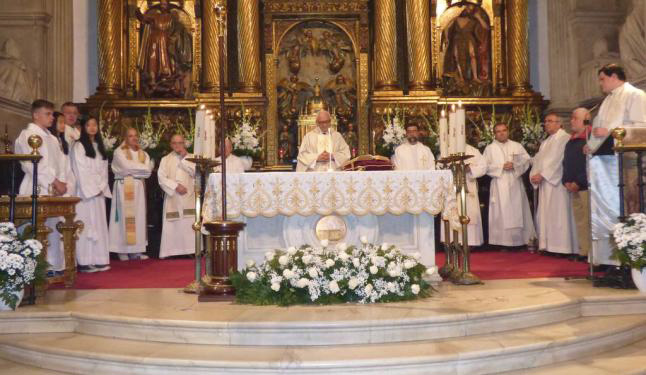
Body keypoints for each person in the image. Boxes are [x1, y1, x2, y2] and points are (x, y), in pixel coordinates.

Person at [585, 64, 646, 266]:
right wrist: (591, 146)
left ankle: (631, 260)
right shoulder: (607, 100)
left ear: (613, 76)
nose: (600, 83)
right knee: (610, 207)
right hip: (607, 162)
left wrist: (611, 131)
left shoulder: (635, 95)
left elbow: (641, 127)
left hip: (628, 161)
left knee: (631, 205)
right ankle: (610, 259)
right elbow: (598, 129)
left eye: (602, 79)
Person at [14, 100, 68, 275]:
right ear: (36, 115)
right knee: (35, 229)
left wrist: (62, 181)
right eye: (48, 114)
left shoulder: (51, 138)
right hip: (35, 186)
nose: (52, 117)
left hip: (54, 188)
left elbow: (62, 162)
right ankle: (34, 269)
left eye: (52, 114)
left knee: (53, 228)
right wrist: (54, 181)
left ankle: (52, 265)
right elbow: (33, 164)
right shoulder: (28, 135)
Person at [529, 112, 577, 255]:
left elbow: (558, 161)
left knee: (558, 215)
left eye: (550, 121)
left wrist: (543, 175)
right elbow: (538, 160)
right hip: (545, 183)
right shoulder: (546, 142)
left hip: (557, 184)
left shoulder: (565, 138)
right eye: (545, 121)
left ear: (559, 123)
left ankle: (562, 247)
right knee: (546, 215)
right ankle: (548, 246)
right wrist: (534, 174)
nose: (547, 124)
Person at [483, 123, 535, 248]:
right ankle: (502, 243)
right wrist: (501, 166)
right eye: (498, 131)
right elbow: (484, 166)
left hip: (515, 181)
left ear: (508, 131)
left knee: (519, 209)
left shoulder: (516, 146)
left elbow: (527, 160)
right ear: (494, 134)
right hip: (499, 182)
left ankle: (521, 241)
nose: (501, 133)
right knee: (501, 212)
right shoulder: (490, 149)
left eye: (504, 130)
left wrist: (515, 165)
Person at [71, 117, 111, 272]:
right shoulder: (79, 146)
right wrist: (93, 188)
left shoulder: (99, 147)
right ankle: (84, 261)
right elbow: (81, 170)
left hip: (98, 193)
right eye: (89, 124)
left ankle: (99, 258)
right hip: (85, 194)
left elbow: (103, 171)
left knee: (99, 225)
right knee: (85, 225)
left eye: (95, 124)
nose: (92, 127)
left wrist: (101, 187)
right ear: (83, 127)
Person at [109, 128, 154, 261]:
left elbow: (148, 172)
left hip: (139, 188)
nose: (133, 138)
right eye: (130, 136)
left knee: (138, 217)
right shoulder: (119, 152)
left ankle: (136, 250)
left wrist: (135, 170)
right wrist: (141, 169)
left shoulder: (144, 154)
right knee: (124, 217)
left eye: (135, 135)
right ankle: (121, 249)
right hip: (124, 187)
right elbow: (125, 167)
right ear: (125, 137)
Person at [157, 134, 196, 259]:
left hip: (188, 196)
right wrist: (175, 186)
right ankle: (171, 251)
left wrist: (184, 159)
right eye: (174, 143)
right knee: (173, 224)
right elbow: (161, 178)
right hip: (173, 195)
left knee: (188, 223)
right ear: (171, 144)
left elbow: (196, 173)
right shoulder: (165, 159)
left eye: (180, 143)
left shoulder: (192, 158)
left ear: (184, 144)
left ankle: (191, 250)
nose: (177, 145)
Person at [563, 108, 592, 258]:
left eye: (575, 118)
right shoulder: (572, 140)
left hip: (585, 186)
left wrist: (579, 181)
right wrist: (566, 180)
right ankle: (584, 250)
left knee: (589, 221)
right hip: (574, 187)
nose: (571, 121)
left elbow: (588, 163)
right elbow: (566, 162)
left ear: (586, 120)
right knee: (580, 221)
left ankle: (593, 254)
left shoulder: (590, 138)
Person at [50, 111, 76, 197]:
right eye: (60, 122)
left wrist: (69, 185)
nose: (63, 125)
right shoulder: (50, 141)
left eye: (64, 122)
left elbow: (68, 167)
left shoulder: (63, 142)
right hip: (54, 184)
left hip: (65, 183)